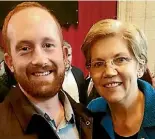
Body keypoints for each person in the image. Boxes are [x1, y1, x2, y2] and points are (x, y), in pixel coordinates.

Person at [0, 2, 110, 139]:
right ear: (10, 62)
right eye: (25, 49)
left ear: (64, 55)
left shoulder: (91, 121)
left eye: (48, 45)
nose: (40, 60)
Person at [81, 19, 155, 138]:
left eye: (120, 60)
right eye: (98, 64)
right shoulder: (93, 111)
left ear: (140, 67)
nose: (109, 72)